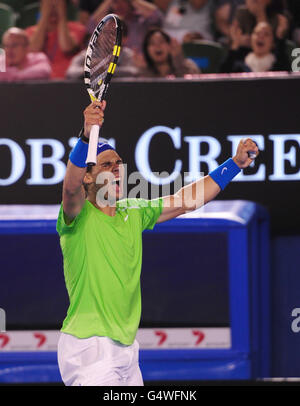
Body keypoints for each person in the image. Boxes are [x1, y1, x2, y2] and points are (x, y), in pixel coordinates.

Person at [56, 99, 259, 386]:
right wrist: (87, 134)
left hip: (126, 349)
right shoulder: (78, 215)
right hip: (89, 347)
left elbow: (185, 202)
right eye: (105, 164)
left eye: (118, 163)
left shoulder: (134, 212)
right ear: (88, 175)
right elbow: (70, 187)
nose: (116, 168)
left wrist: (235, 165)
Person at [26, 0, 86, 79]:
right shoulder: (30, 32)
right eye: (49, 4)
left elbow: (67, 48)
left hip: (67, 83)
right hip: (38, 84)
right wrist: (44, 16)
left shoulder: (77, 29)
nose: (53, 9)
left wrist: (61, 15)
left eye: (57, 4)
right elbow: (33, 49)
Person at [66, 20, 138, 79]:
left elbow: (134, 72)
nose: (108, 37)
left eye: (113, 33)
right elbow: (71, 72)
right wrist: (91, 69)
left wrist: (107, 68)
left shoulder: (128, 54)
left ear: (124, 39)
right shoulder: (88, 54)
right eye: (105, 32)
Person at [85, 0, 164, 53]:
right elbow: (91, 26)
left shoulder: (141, 21)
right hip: (112, 68)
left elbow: (157, 17)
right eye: (115, 2)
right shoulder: (108, 23)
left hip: (139, 69)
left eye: (122, 1)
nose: (118, 6)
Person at [221, 21, 290, 72]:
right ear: (251, 39)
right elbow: (224, 75)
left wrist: (281, 38)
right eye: (257, 33)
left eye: (266, 34)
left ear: (273, 43)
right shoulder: (241, 64)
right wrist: (235, 44)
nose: (261, 37)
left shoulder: (279, 64)